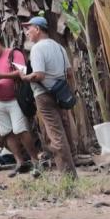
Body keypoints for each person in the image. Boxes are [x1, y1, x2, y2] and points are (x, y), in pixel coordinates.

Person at [20, 16, 78, 178]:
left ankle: (68, 176)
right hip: (60, 94)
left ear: (37, 29)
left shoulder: (37, 49)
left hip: (44, 95)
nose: (27, 32)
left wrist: (24, 77)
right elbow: (69, 73)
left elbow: (39, 75)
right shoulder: (59, 47)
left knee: (55, 135)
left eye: (29, 28)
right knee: (63, 131)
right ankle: (71, 169)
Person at [0, 32, 41, 178]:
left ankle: (35, 161)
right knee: (7, 132)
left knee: (21, 130)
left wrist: (0, 76)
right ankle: (19, 162)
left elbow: (22, 72)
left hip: (15, 99)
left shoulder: (13, 53)